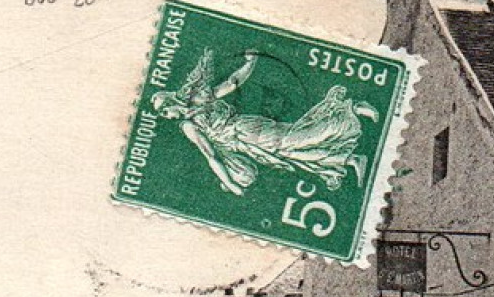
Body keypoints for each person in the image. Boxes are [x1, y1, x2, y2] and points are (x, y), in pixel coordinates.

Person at [151, 49, 377, 198]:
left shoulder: (189, 125)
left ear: (171, 102)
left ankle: (351, 108)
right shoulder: (199, 101)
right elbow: (233, 82)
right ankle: (351, 159)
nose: (167, 116)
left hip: (247, 133)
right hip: (247, 137)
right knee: (292, 154)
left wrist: (232, 186)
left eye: (164, 111)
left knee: (294, 141)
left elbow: (210, 155)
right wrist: (252, 62)